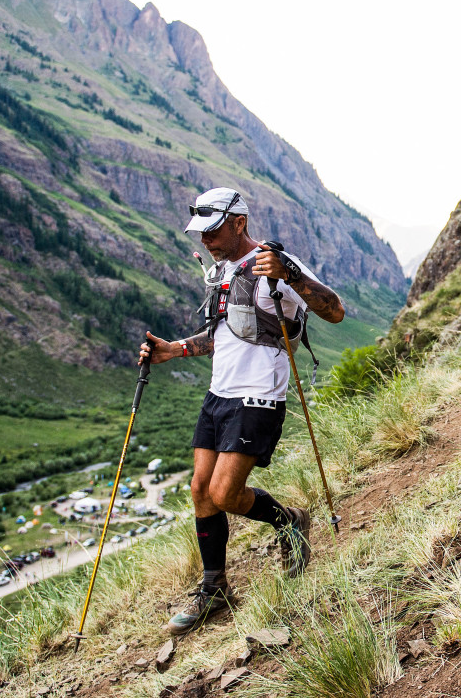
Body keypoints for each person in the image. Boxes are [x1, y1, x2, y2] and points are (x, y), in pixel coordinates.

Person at [139, 187, 345, 635]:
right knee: (199, 489)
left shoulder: (274, 261)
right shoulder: (223, 269)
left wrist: (291, 274)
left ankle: (290, 522)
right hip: (219, 392)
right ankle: (215, 589)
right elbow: (225, 333)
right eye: (200, 233)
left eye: (212, 231)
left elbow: (335, 312)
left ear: (238, 223)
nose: (205, 240)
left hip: (259, 393)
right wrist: (173, 350)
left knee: (226, 494)